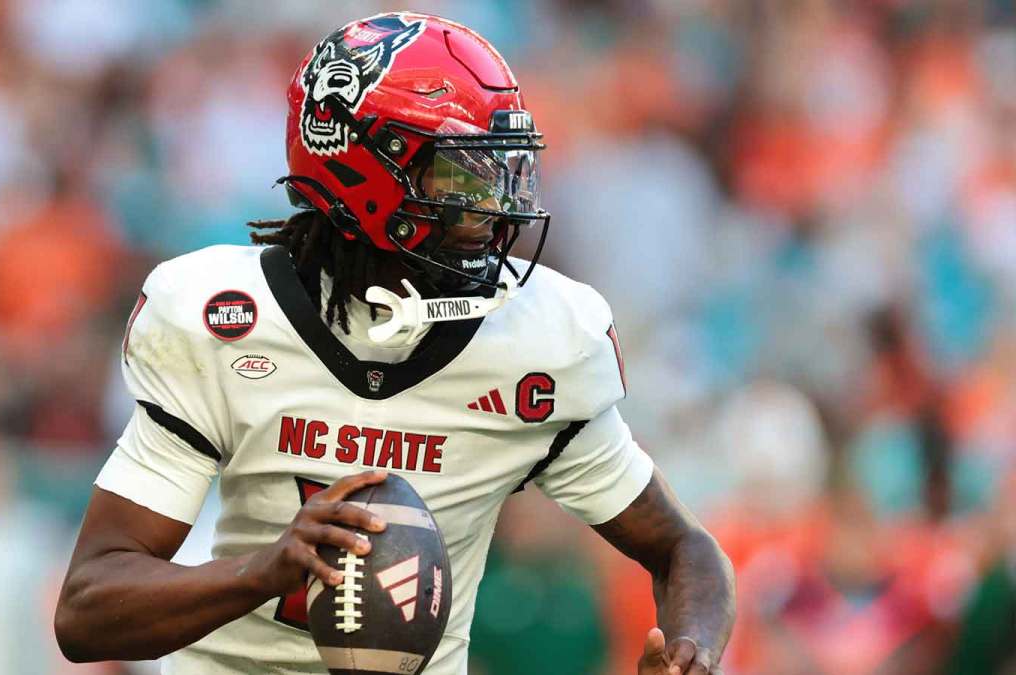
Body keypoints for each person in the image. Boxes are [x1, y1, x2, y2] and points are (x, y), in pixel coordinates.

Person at [54, 12, 734, 675]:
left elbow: (685, 549)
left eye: (501, 172)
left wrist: (690, 654)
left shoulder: (537, 341)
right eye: (462, 176)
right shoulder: (228, 321)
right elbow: (87, 610)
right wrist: (260, 571)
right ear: (363, 175)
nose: (493, 207)